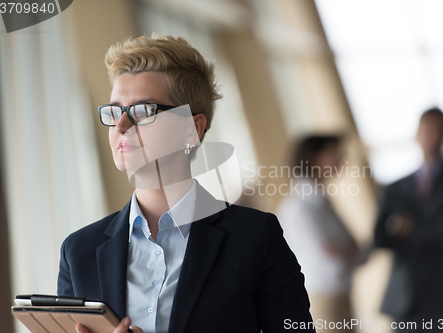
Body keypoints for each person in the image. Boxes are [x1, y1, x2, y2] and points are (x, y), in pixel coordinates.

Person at [57, 34, 314, 333]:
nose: (122, 126)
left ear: (192, 127)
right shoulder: (78, 251)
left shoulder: (256, 238)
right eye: (115, 111)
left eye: (142, 111)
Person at [374, 108, 443, 332]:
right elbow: (380, 237)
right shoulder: (395, 188)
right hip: (407, 298)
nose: (431, 136)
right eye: (426, 130)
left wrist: (407, 227)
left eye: (437, 130)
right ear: (417, 134)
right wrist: (436, 224)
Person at [276, 135, 361, 332]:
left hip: (340, 295)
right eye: (333, 152)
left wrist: (346, 250)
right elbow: (331, 254)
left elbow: (355, 249)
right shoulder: (299, 206)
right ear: (313, 158)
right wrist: (347, 251)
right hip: (322, 299)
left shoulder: (322, 200)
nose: (341, 158)